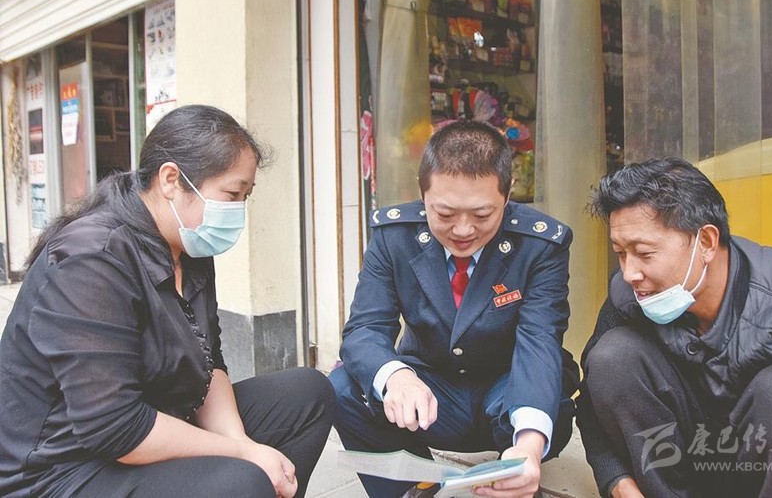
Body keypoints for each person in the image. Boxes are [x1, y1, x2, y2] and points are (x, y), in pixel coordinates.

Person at [0, 105, 334, 498]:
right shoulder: (91, 259)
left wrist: (242, 443)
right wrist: (243, 455)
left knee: (306, 394)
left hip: (155, 418)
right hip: (63, 467)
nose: (238, 210)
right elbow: (114, 427)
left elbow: (210, 363)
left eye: (246, 196)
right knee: (241, 480)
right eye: (231, 194)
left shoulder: (189, 246)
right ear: (171, 180)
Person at [330, 120, 580, 497]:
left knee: (550, 395)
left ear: (508, 193)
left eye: (482, 215)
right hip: (431, 393)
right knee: (344, 386)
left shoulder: (540, 244)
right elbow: (365, 329)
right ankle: (413, 489)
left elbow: (540, 340)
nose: (463, 230)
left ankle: (515, 480)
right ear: (422, 193)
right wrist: (396, 377)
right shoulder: (393, 236)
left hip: (508, 389)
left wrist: (529, 445)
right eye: (445, 214)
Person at [577, 157, 772, 498]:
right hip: (683, 472)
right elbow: (591, 403)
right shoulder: (629, 297)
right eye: (620, 253)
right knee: (613, 356)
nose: (630, 272)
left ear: (705, 242)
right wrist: (616, 479)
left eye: (644, 253)